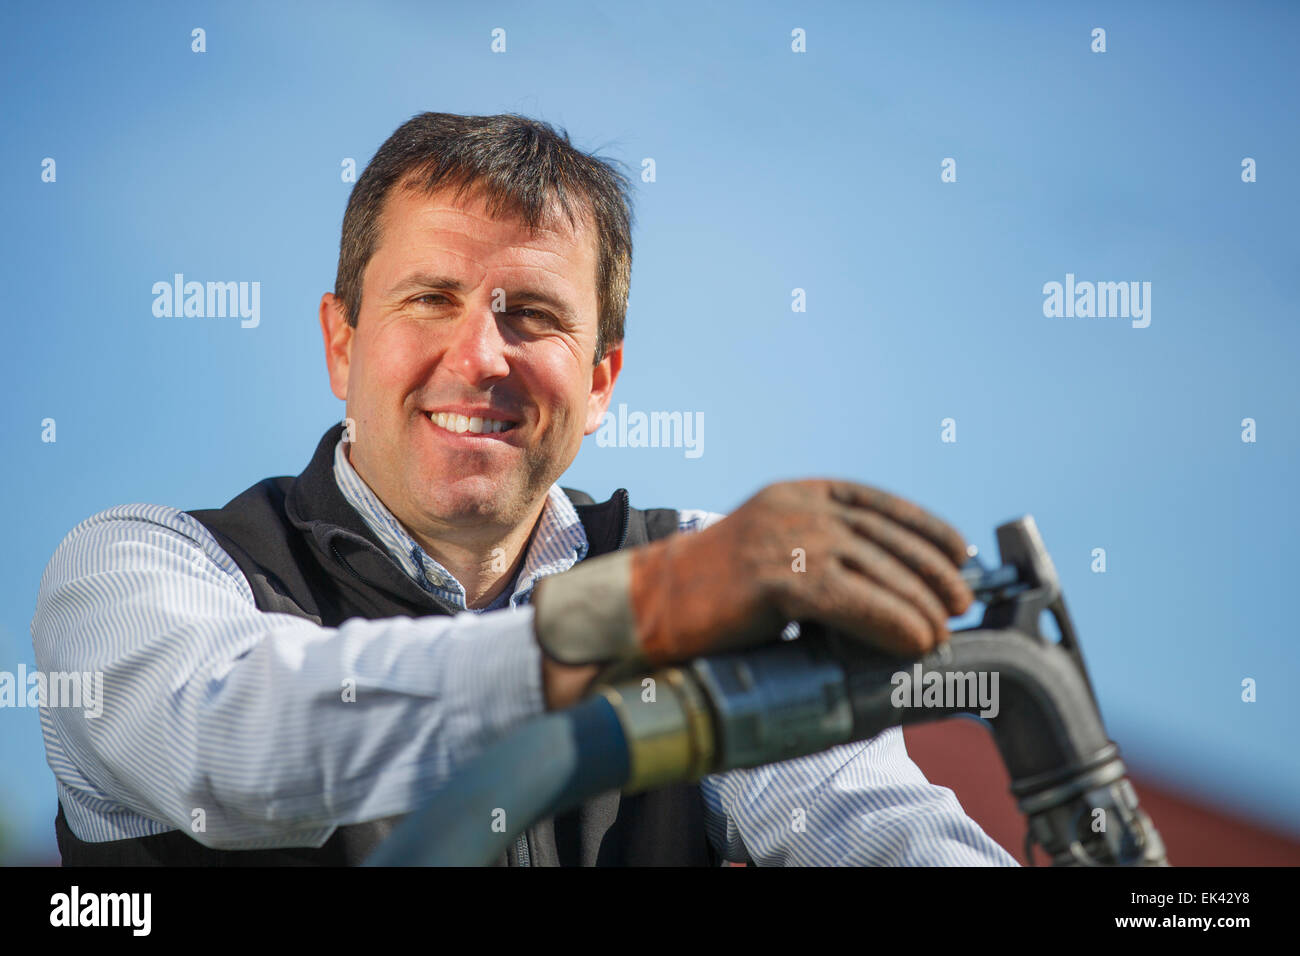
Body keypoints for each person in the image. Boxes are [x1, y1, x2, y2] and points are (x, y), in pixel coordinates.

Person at [32, 111, 1017, 866]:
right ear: (341, 342)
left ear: (599, 383)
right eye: (431, 298)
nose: (480, 356)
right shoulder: (138, 567)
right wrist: (648, 608)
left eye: (533, 315)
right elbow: (233, 741)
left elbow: (882, 830)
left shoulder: (709, 570)